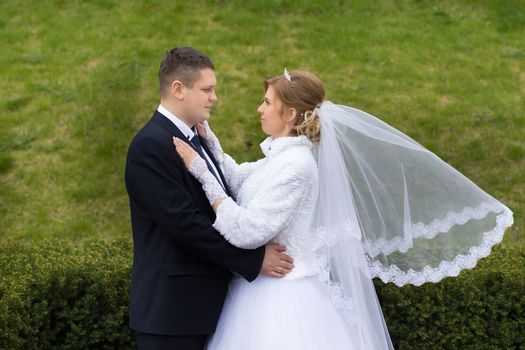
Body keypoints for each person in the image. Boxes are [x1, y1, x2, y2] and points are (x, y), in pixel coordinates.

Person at [174, 69, 513, 349]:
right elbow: (240, 179)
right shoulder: (278, 157)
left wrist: (203, 175)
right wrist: (210, 145)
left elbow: (249, 232)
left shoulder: (296, 166)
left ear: (290, 114)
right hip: (261, 288)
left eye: (266, 103)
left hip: (283, 299)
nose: (259, 110)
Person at [124, 47, 295, 350]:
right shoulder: (150, 146)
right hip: (172, 314)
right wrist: (253, 260)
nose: (214, 97)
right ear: (178, 89)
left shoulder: (194, 136)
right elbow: (185, 225)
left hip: (203, 308)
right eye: (207, 89)